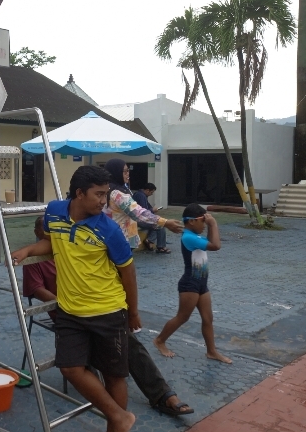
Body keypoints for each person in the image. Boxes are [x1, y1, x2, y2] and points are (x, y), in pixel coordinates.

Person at [22, 216, 194, 416]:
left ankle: (160, 393)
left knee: (128, 341)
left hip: (96, 306)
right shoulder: (34, 260)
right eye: (45, 230)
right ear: (37, 233)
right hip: (66, 311)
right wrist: (67, 301)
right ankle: (125, 402)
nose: (51, 234)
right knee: (108, 344)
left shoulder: (72, 245)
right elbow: (37, 289)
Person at [12, 165, 138, 432]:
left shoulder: (109, 229)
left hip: (108, 310)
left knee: (114, 376)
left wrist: (133, 311)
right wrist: (29, 250)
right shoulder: (54, 211)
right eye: (99, 194)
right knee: (69, 368)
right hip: (70, 311)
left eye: (106, 194)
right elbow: (53, 241)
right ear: (79, 193)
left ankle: (116, 423)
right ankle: (119, 416)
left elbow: (128, 272)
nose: (104, 201)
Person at [153, 204, 232, 364]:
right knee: (182, 317)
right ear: (192, 221)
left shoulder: (195, 236)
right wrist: (213, 224)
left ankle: (211, 351)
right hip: (190, 284)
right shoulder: (188, 237)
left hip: (201, 284)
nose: (205, 225)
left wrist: (209, 224)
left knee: (208, 319)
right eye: (203, 221)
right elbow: (216, 245)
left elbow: (210, 241)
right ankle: (159, 340)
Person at [103, 159, 183, 250]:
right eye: (125, 171)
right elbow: (138, 213)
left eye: (128, 170)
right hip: (122, 239)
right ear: (116, 173)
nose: (128, 174)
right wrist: (165, 222)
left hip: (108, 235)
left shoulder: (104, 191)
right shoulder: (119, 195)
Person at [132, 183, 171, 254]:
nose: (151, 194)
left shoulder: (140, 195)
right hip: (140, 219)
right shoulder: (141, 196)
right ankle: (161, 247)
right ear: (147, 190)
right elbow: (144, 212)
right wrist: (152, 210)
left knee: (155, 224)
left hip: (138, 218)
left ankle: (150, 240)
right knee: (160, 225)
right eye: (151, 192)